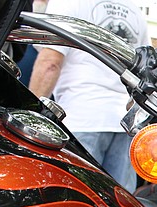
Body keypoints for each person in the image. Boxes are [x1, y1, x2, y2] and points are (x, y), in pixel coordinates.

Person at [29, 0, 150, 193]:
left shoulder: (68, 2)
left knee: (73, 201)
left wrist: (29, 113)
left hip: (80, 118)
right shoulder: (134, 11)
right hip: (125, 126)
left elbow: (50, 62)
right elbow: (146, 72)